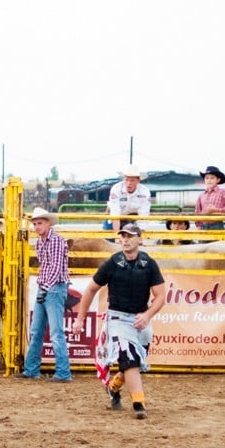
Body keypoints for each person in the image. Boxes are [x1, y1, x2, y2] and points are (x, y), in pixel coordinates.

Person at [72, 223, 166, 419]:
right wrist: (80, 319)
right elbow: (90, 289)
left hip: (141, 319)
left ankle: (113, 388)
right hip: (118, 318)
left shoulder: (148, 263)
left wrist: (147, 315)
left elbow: (160, 296)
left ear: (140, 239)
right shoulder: (112, 263)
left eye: (130, 236)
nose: (125, 239)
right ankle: (139, 403)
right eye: (123, 235)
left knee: (133, 362)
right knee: (130, 359)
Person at [15, 207, 72, 382]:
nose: (37, 227)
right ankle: (33, 369)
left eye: (39, 223)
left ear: (47, 223)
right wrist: (44, 287)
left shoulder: (54, 241)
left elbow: (54, 268)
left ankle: (61, 372)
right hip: (49, 287)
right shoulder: (42, 242)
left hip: (53, 287)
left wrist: (44, 287)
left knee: (53, 332)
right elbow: (48, 268)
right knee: (38, 330)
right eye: (35, 224)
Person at [106, 165, 151, 230]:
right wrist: (116, 235)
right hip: (118, 214)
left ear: (138, 180)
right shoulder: (116, 189)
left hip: (133, 216)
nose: (128, 183)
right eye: (126, 180)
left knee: (133, 232)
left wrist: (140, 233)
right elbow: (115, 212)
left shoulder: (144, 192)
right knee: (108, 231)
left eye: (132, 180)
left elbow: (144, 213)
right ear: (123, 179)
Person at [195, 165, 225, 230]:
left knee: (219, 240)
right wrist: (198, 225)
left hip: (217, 224)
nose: (209, 180)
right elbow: (197, 211)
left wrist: (216, 210)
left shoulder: (222, 192)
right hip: (203, 225)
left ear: (218, 180)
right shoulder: (201, 195)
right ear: (204, 180)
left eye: (212, 178)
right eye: (207, 178)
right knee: (202, 240)